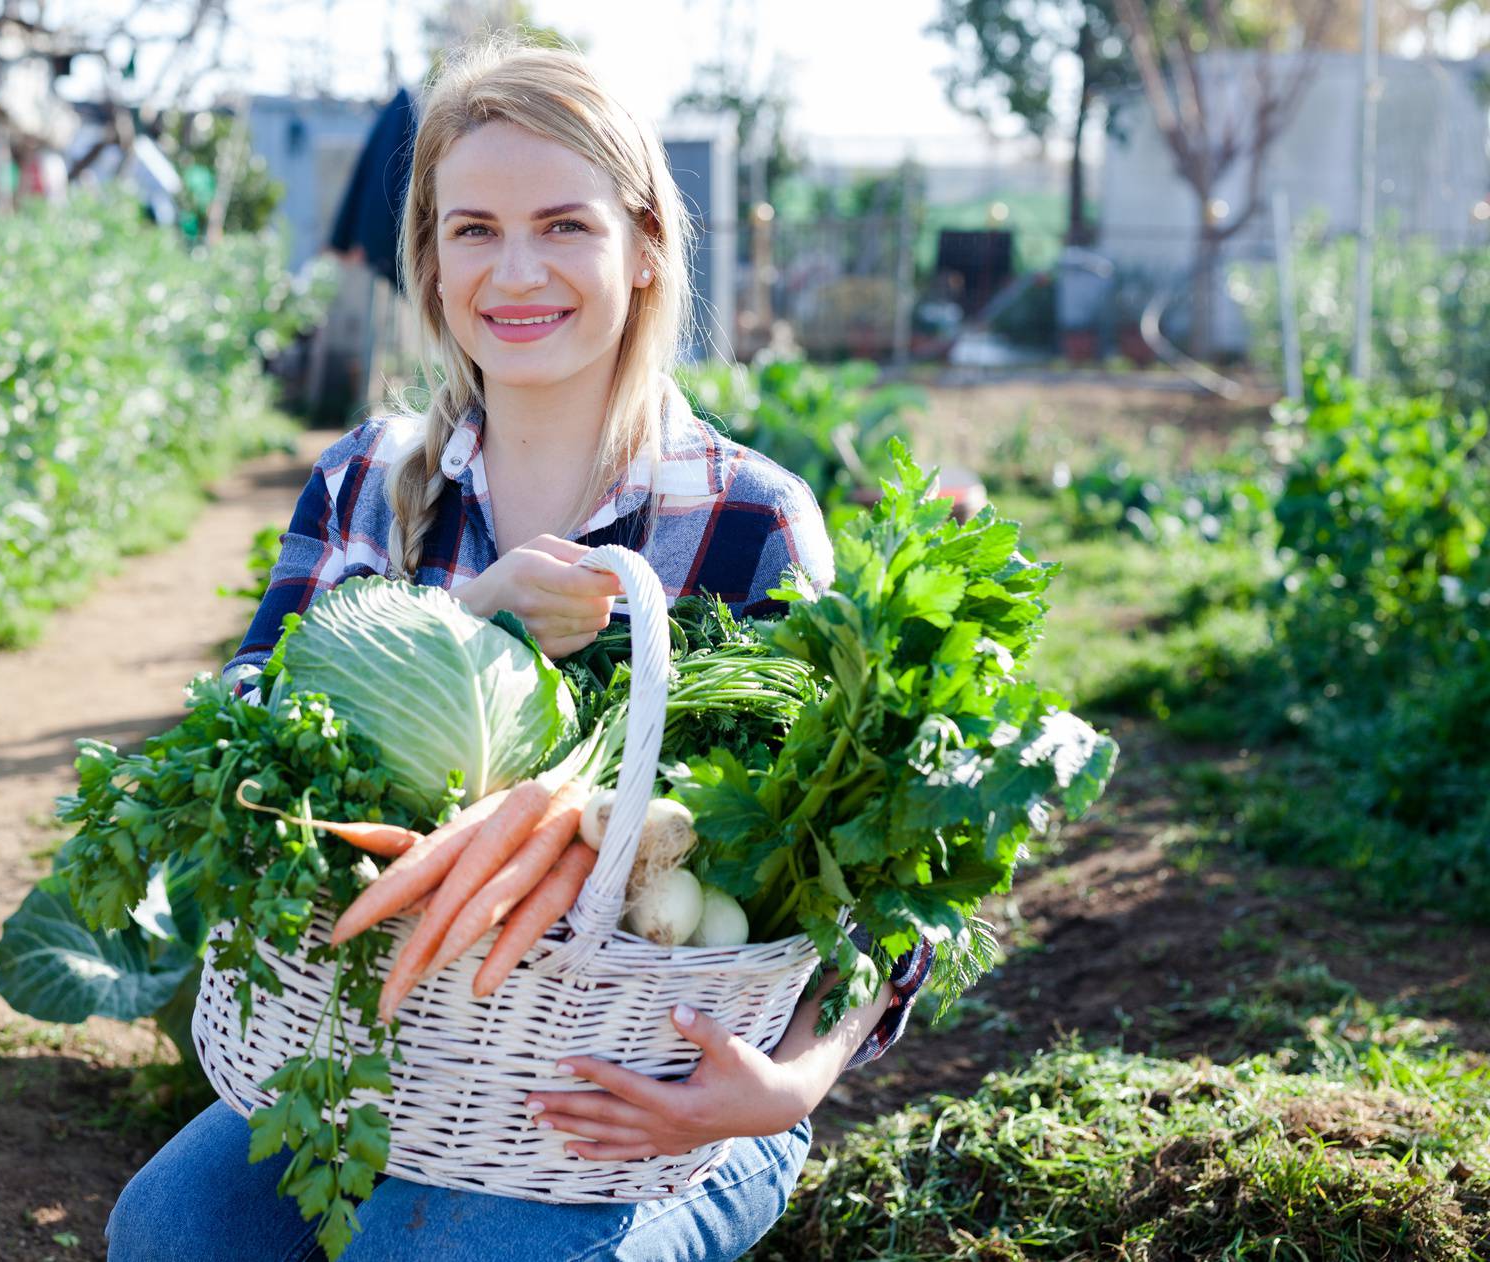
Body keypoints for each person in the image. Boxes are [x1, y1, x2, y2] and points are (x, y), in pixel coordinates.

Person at [106, 34, 934, 1262]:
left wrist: (793, 1085)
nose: (517, 271)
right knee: (170, 1231)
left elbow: (870, 872)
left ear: (645, 246)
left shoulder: (750, 516)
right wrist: (461, 621)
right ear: (431, 262)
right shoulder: (366, 487)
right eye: (474, 229)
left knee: (416, 1247)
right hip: (395, 1055)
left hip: (649, 1092)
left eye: (565, 225)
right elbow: (238, 734)